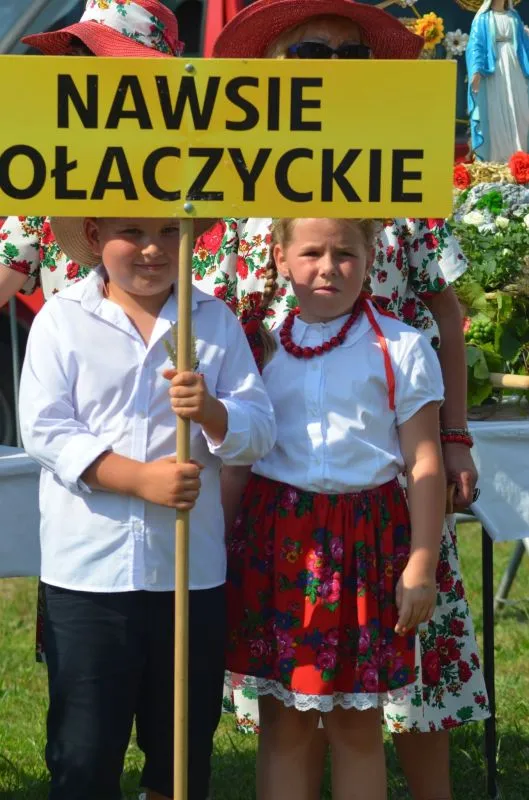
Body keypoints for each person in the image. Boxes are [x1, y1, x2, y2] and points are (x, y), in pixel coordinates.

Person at [193, 2, 490, 797]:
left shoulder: (401, 171)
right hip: (274, 459)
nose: (329, 65)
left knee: (411, 651)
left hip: (387, 455)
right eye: (309, 52)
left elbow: (443, 311)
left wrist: (454, 434)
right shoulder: (238, 187)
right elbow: (211, 316)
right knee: (287, 697)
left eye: (349, 54)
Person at [18, 214, 276, 800]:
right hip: (89, 575)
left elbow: (259, 429)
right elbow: (45, 427)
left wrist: (212, 412)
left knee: (180, 754)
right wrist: (137, 479)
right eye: (132, 232)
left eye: (168, 231)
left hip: (188, 574)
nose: (153, 248)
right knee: (83, 753)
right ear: (94, 236)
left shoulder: (213, 320)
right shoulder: (62, 318)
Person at [225, 216, 446, 800]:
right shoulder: (258, 346)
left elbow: (425, 462)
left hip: (365, 547)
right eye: (311, 253)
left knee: (356, 724)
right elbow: (238, 459)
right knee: (284, 724)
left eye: (345, 253)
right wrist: (216, 545)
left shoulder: (401, 346)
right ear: (279, 258)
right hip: (279, 545)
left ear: (371, 256)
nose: (328, 268)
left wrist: (421, 562)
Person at [0, 0, 188, 665]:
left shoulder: (204, 175)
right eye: (81, 60)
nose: (90, 78)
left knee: (178, 658)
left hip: (184, 434)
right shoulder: (52, 176)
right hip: (84, 441)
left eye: (106, 62)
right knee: (87, 667)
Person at [466, 0, 529, 162]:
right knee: (497, 108)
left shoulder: (514, 16)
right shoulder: (483, 19)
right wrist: (476, 70)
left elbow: (523, 43)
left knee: (521, 107)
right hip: (495, 70)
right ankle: (500, 158)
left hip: (516, 67)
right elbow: (476, 45)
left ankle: (521, 154)